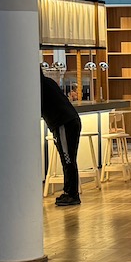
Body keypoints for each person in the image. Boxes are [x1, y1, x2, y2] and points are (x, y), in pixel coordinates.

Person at [41, 71, 82, 206]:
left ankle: (71, 194)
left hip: (63, 123)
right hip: (70, 120)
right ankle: (70, 192)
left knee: (67, 159)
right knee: (69, 159)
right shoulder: (48, 82)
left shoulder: (37, 87)